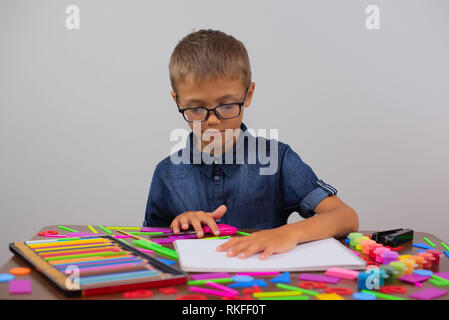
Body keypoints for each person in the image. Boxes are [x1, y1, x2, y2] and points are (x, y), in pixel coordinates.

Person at [144, 29, 359, 259]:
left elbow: (346, 217)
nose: (213, 120)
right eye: (196, 109)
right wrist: (177, 227)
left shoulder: (278, 159)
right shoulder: (166, 174)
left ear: (248, 95)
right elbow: (149, 245)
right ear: (178, 101)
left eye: (227, 105)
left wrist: (287, 234)